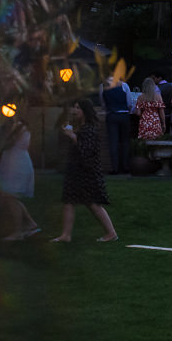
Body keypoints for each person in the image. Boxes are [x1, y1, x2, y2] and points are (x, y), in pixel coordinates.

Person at [52, 100, 118, 243]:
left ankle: (111, 233)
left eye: (78, 108)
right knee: (69, 201)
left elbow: (86, 150)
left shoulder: (90, 128)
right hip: (76, 169)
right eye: (74, 107)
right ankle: (66, 235)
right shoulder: (80, 127)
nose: (75, 111)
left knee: (93, 203)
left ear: (85, 111)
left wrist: (73, 136)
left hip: (87, 171)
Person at [0, 123, 40, 240]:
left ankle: (18, 232)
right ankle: (31, 224)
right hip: (13, 162)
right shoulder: (17, 126)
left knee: (11, 197)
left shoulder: (19, 127)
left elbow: (6, 143)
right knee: (10, 197)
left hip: (17, 164)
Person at [100, 75, 132, 175]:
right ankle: (126, 167)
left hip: (112, 115)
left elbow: (102, 103)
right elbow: (130, 102)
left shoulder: (102, 86)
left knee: (113, 142)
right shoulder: (124, 85)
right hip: (124, 115)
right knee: (125, 142)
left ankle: (115, 168)